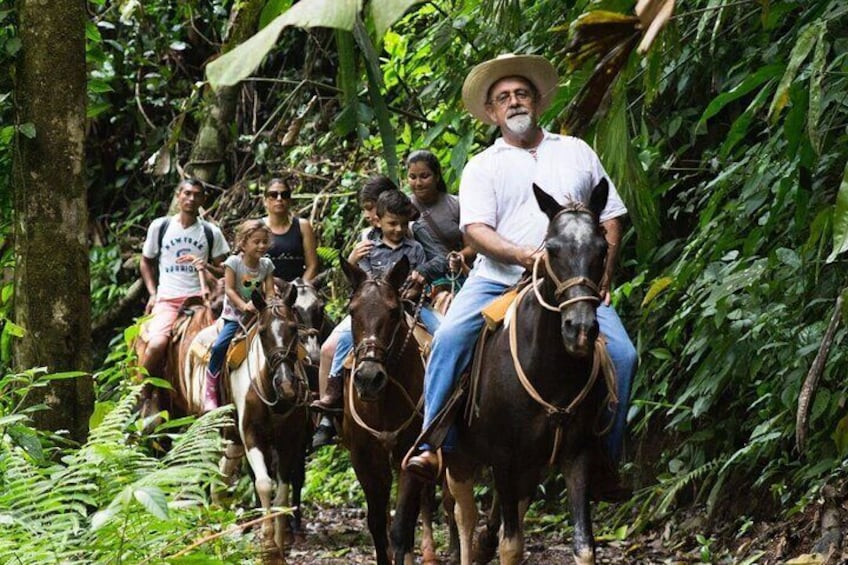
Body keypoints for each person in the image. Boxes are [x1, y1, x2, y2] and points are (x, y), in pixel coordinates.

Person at [404, 54, 638, 497]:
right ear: (491, 112)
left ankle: (606, 456)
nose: (514, 103)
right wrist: (523, 257)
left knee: (624, 356)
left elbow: (609, 218)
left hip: (574, 282)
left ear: (538, 102)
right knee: (451, 338)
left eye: (522, 94)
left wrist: (603, 271)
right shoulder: (482, 165)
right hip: (497, 278)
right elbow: (476, 229)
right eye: (503, 98)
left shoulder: (576, 151)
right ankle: (433, 444)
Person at [310, 178, 445, 447]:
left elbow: (429, 266)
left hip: (410, 306)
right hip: (376, 310)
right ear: (379, 220)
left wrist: (420, 283)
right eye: (389, 222)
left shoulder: (415, 244)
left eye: (401, 224)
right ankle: (333, 396)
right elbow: (361, 281)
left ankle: (446, 398)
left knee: (443, 334)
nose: (397, 229)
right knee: (346, 342)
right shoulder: (368, 244)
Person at [140, 178, 230, 382]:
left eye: (197, 195)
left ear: (203, 200)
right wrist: (153, 293)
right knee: (157, 344)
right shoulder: (160, 226)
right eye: (187, 193)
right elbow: (146, 262)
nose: (191, 198)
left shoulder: (210, 232)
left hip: (201, 302)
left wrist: (205, 266)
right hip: (169, 299)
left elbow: (225, 272)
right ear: (178, 195)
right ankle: (141, 392)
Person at [204, 219, 276, 412]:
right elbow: (229, 290)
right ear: (243, 243)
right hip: (235, 316)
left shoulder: (267, 264)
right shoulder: (233, 263)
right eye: (256, 242)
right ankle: (210, 389)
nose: (261, 246)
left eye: (264, 241)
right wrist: (244, 306)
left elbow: (270, 291)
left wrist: (270, 304)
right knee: (219, 346)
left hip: (259, 313)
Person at [405, 149, 475, 275]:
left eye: (424, 176)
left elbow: (472, 247)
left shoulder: (456, 205)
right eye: (412, 177)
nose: (418, 183)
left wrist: (457, 258)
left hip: (453, 275)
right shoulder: (403, 206)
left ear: (437, 176)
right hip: (417, 277)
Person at [262, 176, 320, 282]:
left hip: (299, 289)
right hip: (265, 289)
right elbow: (248, 266)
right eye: (273, 195)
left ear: (289, 200)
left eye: (284, 195)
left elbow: (312, 265)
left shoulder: (303, 226)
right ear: (265, 201)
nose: (279, 199)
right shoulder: (257, 227)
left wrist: (299, 288)